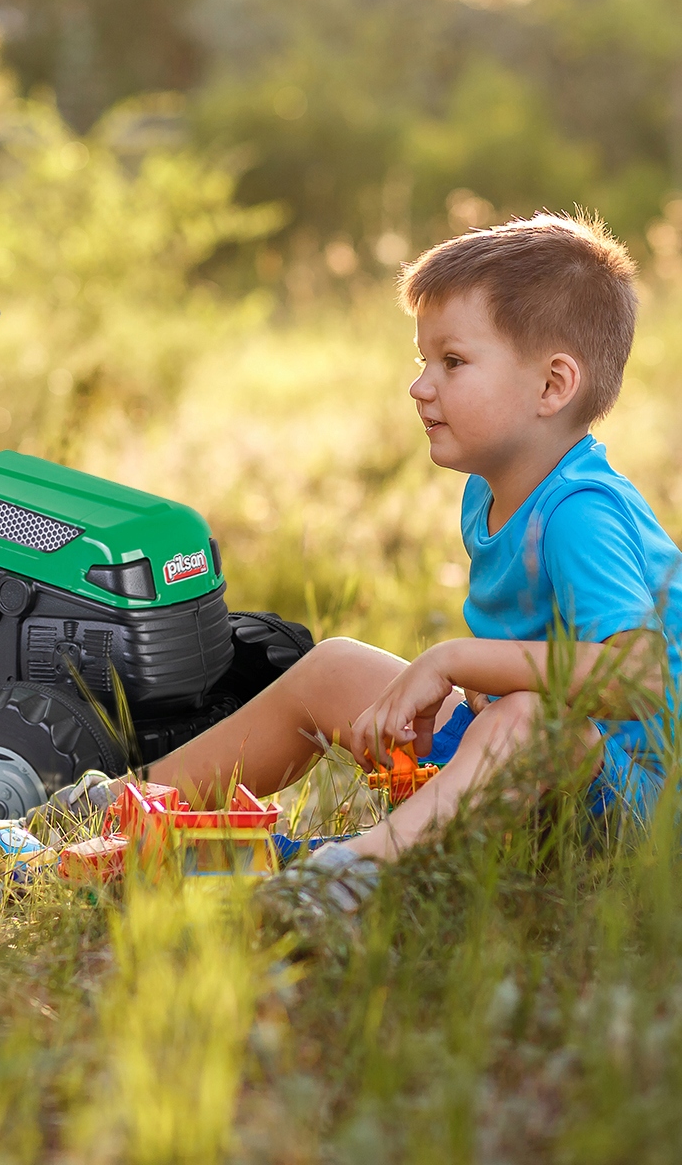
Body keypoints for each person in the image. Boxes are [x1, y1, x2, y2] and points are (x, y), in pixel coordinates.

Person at [49, 213, 681, 911]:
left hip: (629, 817)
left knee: (531, 721)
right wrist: (466, 692)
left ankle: (351, 873)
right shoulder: (490, 494)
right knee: (338, 665)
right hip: (515, 778)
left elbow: (639, 675)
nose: (421, 386)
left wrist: (455, 662)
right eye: (422, 362)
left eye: (453, 362)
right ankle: (123, 807)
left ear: (553, 386)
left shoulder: (581, 513)